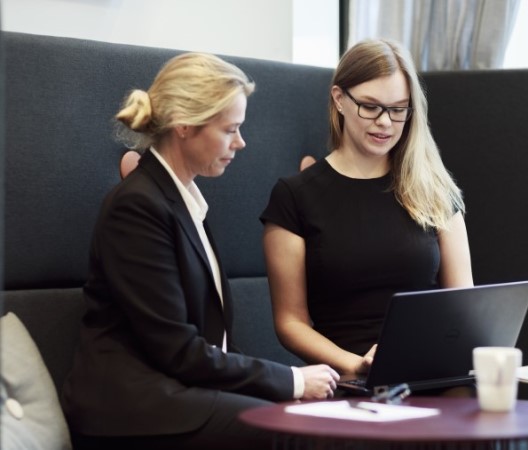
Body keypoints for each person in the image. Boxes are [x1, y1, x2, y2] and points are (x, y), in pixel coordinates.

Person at [61, 52, 339, 450]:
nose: (240, 143)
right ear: (185, 125)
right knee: (297, 435)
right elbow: (178, 350)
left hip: (181, 392)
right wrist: (293, 381)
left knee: (320, 422)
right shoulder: (138, 206)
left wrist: (287, 386)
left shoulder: (182, 201)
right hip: (132, 410)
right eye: (231, 130)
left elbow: (212, 345)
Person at [260, 39, 474, 378]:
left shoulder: (433, 190)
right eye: (371, 107)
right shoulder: (294, 196)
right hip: (346, 377)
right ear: (339, 100)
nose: (385, 123)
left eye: (398, 109)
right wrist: (355, 364)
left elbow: (464, 306)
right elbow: (290, 322)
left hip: (431, 370)